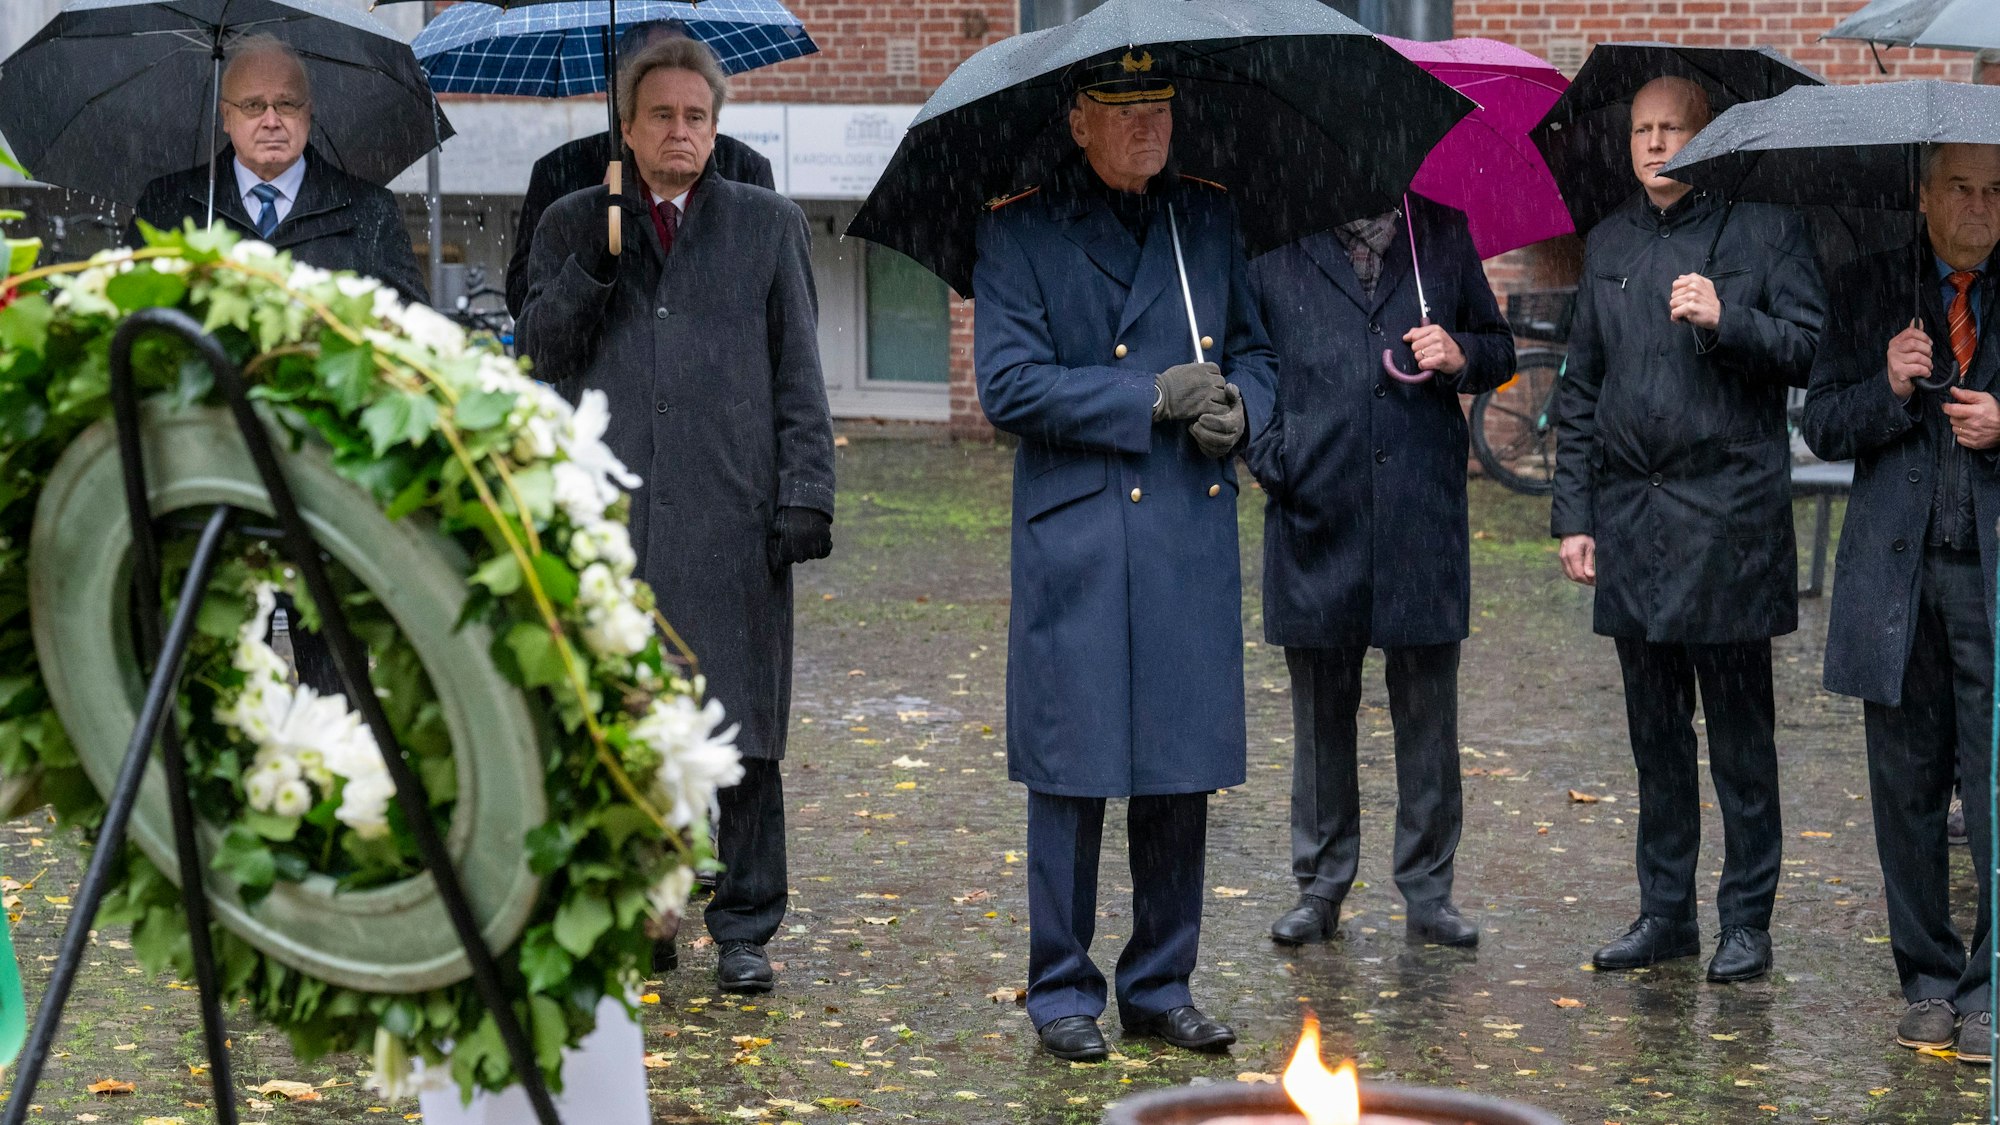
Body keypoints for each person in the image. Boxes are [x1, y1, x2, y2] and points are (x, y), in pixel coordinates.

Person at [972, 48, 1277, 1063]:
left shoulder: (1207, 221)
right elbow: (1008, 386)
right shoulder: (1017, 231)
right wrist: (1146, 398)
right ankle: (1061, 987)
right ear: (1077, 121)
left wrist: (1243, 408)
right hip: (1081, 535)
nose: (1148, 124)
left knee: (1175, 768)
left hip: (1182, 528)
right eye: (1123, 107)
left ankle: (1159, 982)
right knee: (1070, 771)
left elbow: (1258, 354)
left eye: (1160, 105)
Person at [515, 36, 835, 995]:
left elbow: (800, 375)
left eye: (697, 116)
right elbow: (535, 355)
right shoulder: (575, 218)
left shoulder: (766, 223)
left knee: (742, 733)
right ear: (628, 125)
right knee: (622, 728)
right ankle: (638, 908)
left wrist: (805, 492)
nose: (681, 132)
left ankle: (744, 924)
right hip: (610, 523)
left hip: (735, 515)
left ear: (716, 124)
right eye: (662, 115)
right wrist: (598, 264)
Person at [1550, 76, 1825, 983]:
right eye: (1642, 130)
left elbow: (1808, 350)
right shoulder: (1611, 242)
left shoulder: (1766, 230)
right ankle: (1663, 911)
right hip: (1633, 521)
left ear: (1709, 138)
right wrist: (1574, 517)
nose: (1656, 144)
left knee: (1742, 741)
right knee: (1656, 736)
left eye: (1674, 129)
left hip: (1733, 523)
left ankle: (1746, 919)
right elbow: (1581, 387)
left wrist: (1726, 318)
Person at [1245, 196, 1514, 950]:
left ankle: (1429, 892)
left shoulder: (1441, 233)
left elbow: (1500, 349)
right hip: (1314, 512)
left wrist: (1461, 353)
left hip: (1418, 519)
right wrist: (1275, 456)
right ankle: (1321, 887)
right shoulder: (1274, 239)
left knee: (1428, 719)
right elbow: (1249, 362)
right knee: (1321, 723)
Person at [1800, 141, 2000, 1065]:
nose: (1979, 206)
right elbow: (1822, 420)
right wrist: (1882, 382)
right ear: (1924, 195)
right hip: (1896, 576)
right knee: (1906, 788)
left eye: (1997, 190)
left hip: (1989, 576)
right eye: (1961, 187)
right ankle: (1925, 978)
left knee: (1993, 787)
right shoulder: (1870, 286)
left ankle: (1992, 986)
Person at [503, 20, 775, 317]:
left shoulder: (746, 169)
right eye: (656, 62)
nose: (671, 71)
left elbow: (777, 312)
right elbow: (524, 298)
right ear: (624, 85)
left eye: (682, 56)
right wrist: (594, 230)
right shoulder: (560, 172)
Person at [129, 35, 427, 306]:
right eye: (253, 105)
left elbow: (413, 324)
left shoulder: (370, 209)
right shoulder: (167, 202)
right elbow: (130, 312)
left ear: (308, 112)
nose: (271, 121)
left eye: (286, 104)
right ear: (226, 116)